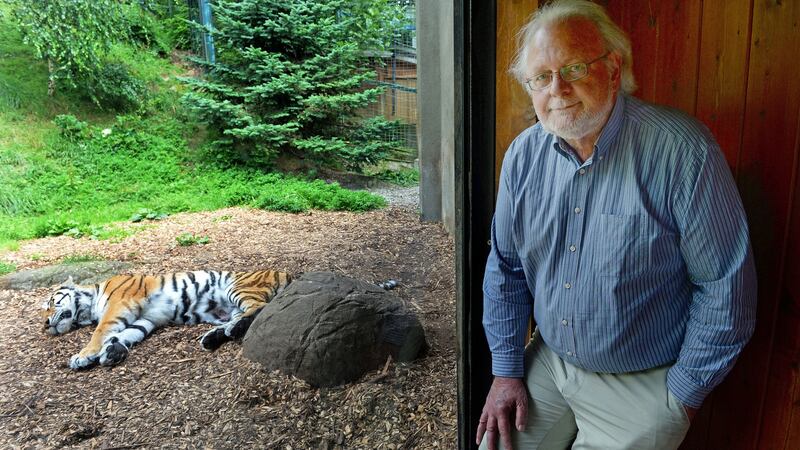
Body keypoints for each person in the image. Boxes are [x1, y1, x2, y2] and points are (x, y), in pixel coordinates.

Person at [476, 1, 757, 449]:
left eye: (573, 67)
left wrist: (680, 396)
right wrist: (506, 371)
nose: (558, 89)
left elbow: (726, 287)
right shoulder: (523, 156)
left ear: (612, 66)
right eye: (540, 78)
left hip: (642, 385)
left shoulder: (683, 152)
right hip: (548, 364)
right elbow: (506, 267)